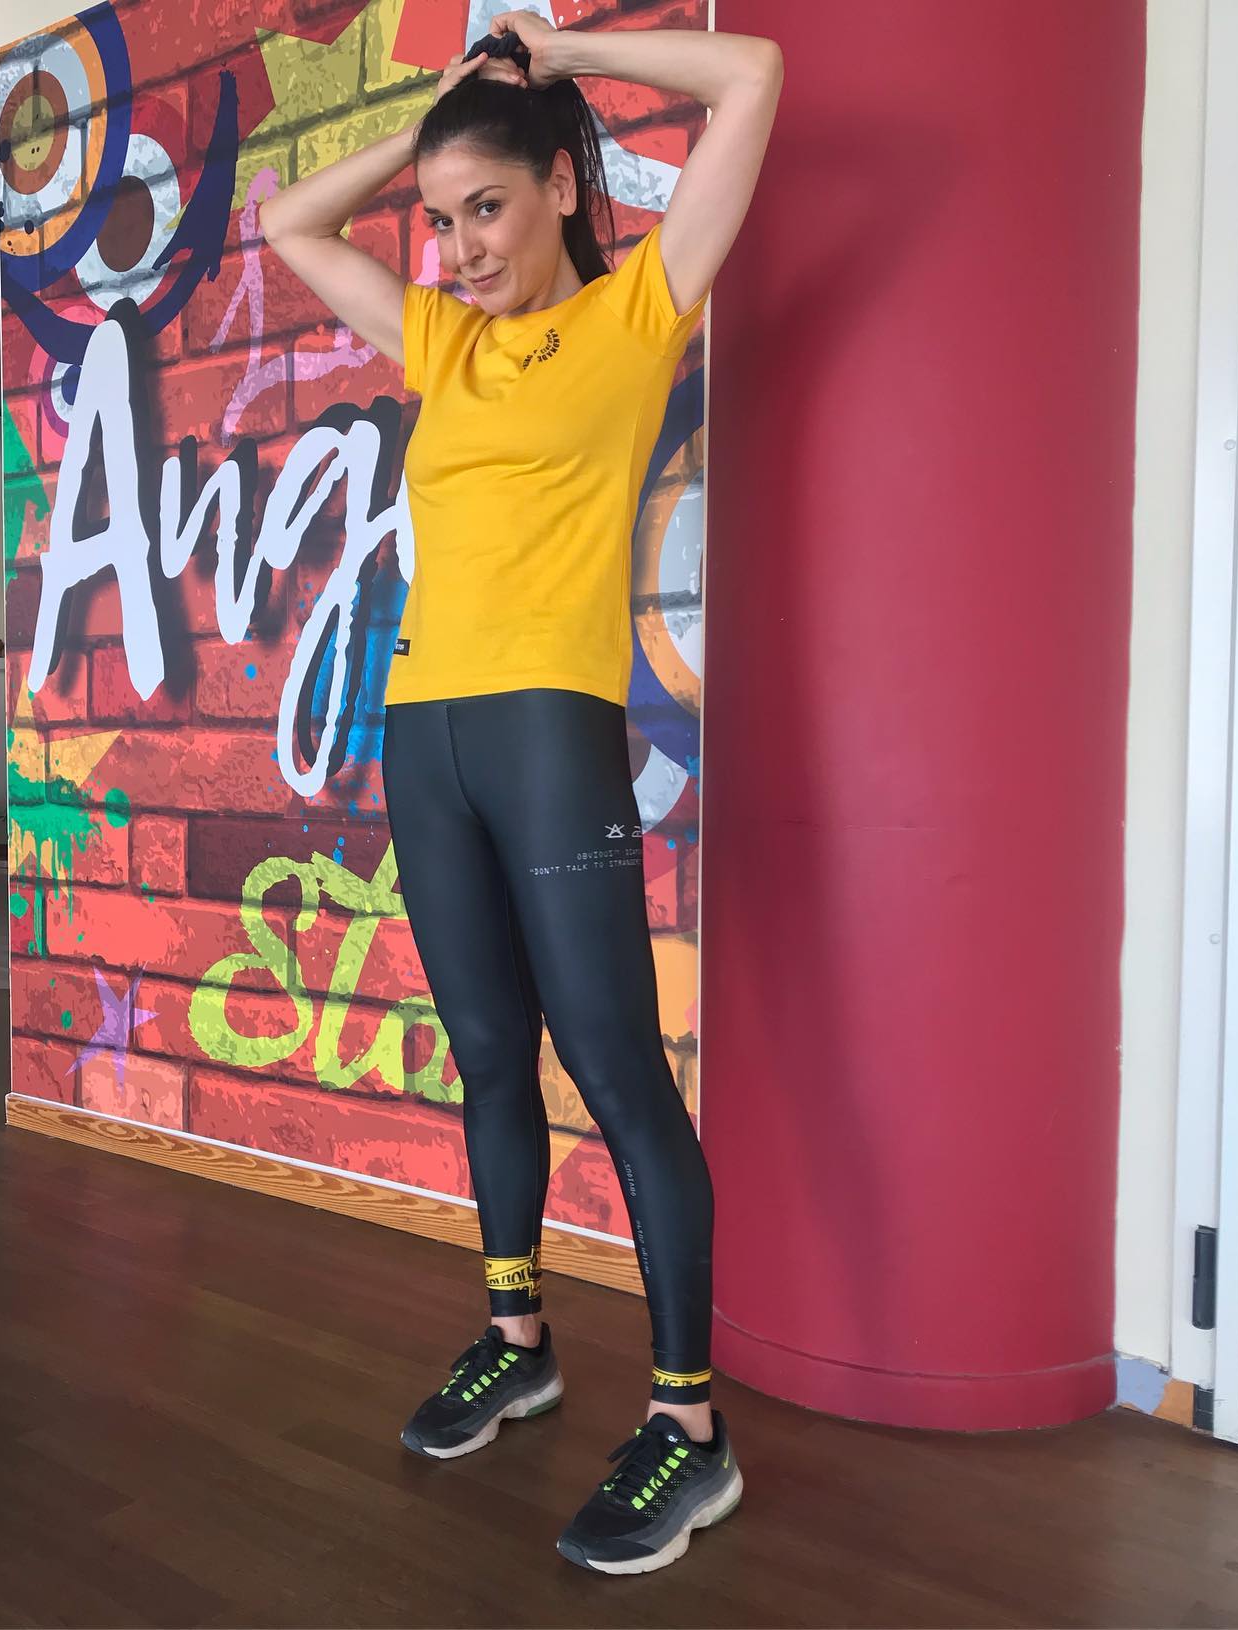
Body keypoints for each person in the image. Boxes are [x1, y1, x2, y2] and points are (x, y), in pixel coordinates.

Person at [261, 7, 783, 1575]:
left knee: (615, 1066)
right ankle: (519, 1339)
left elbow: (754, 75)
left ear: (561, 185)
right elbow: (289, 223)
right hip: (423, 731)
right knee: (487, 1050)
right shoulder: (444, 341)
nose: (460, 248)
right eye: (441, 223)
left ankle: (690, 1427)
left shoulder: (640, 312)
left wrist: (558, 60)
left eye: (486, 207)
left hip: (553, 727)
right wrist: (438, 117)